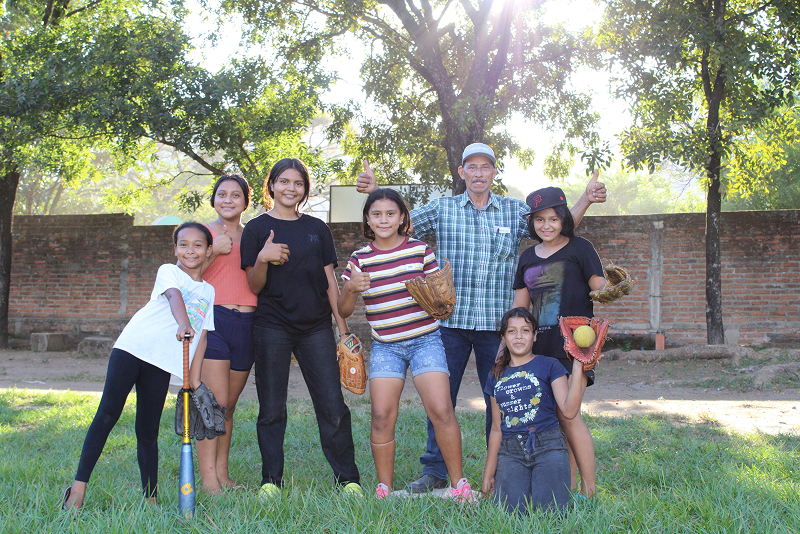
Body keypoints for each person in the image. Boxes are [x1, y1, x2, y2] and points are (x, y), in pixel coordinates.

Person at [355, 143, 606, 493]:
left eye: (485, 166)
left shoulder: (513, 211)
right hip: (448, 326)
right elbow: (397, 223)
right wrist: (376, 188)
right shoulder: (442, 208)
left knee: (505, 400)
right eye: (471, 166)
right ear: (461, 172)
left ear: (494, 172)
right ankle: (435, 471)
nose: (478, 173)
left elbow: (555, 228)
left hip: (497, 328)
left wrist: (585, 201)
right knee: (439, 404)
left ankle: (506, 467)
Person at [62, 222, 216, 510]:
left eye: (198, 244)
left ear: (209, 250)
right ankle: (78, 489)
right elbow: (174, 297)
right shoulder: (168, 272)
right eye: (183, 244)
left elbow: (203, 336)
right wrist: (182, 322)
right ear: (175, 249)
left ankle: (151, 498)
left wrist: (194, 381)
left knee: (147, 430)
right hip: (132, 348)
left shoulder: (209, 291)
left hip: (159, 363)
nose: (190, 250)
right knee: (107, 415)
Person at [337, 188, 473, 501]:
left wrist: (439, 297)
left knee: (441, 409)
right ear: (368, 220)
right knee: (382, 415)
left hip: (425, 339)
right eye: (376, 214)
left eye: (390, 213)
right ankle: (384, 488)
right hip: (386, 346)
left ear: (402, 218)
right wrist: (351, 290)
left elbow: (438, 296)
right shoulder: (359, 259)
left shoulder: (420, 250)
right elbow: (343, 310)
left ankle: (459, 485)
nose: (383, 220)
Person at [240, 158, 361, 498]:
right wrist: (263, 257)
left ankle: (348, 480)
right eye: (285, 182)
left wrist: (343, 328)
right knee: (272, 407)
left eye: (298, 183)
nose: (291, 188)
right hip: (271, 326)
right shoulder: (256, 229)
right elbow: (253, 285)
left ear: (305, 190)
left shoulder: (317, 229)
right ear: (272, 185)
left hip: (316, 328)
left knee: (332, 405)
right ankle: (270, 482)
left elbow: (329, 282)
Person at [510, 186, 606, 496]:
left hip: (573, 349)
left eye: (553, 218)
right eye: (539, 220)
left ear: (563, 218)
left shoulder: (580, 248)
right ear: (532, 223)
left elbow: (600, 288)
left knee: (569, 415)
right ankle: (571, 486)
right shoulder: (527, 257)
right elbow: (520, 308)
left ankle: (589, 491)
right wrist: (510, 345)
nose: (546, 226)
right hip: (540, 352)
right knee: (558, 420)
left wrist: (614, 285)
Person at [482, 307, 586, 514]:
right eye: (512, 331)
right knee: (508, 515)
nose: (518, 336)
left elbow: (569, 410)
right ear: (503, 337)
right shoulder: (495, 375)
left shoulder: (550, 365)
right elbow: (496, 429)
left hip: (549, 447)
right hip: (510, 452)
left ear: (535, 335)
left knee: (551, 514)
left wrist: (578, 365)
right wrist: (488, 474)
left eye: (525, 330)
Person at [196, 174, 257, 494]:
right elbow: (185, 276)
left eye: (236, 195)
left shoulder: (255, 235)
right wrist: (212, 251)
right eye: (222, 194)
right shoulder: (203, 233)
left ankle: (223, 473)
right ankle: (208, 482)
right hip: (214, 321)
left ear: (246, 201)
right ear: (214, 199)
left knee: (229, 405)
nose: (228, 199)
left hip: (248, 324)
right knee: (215, 403)